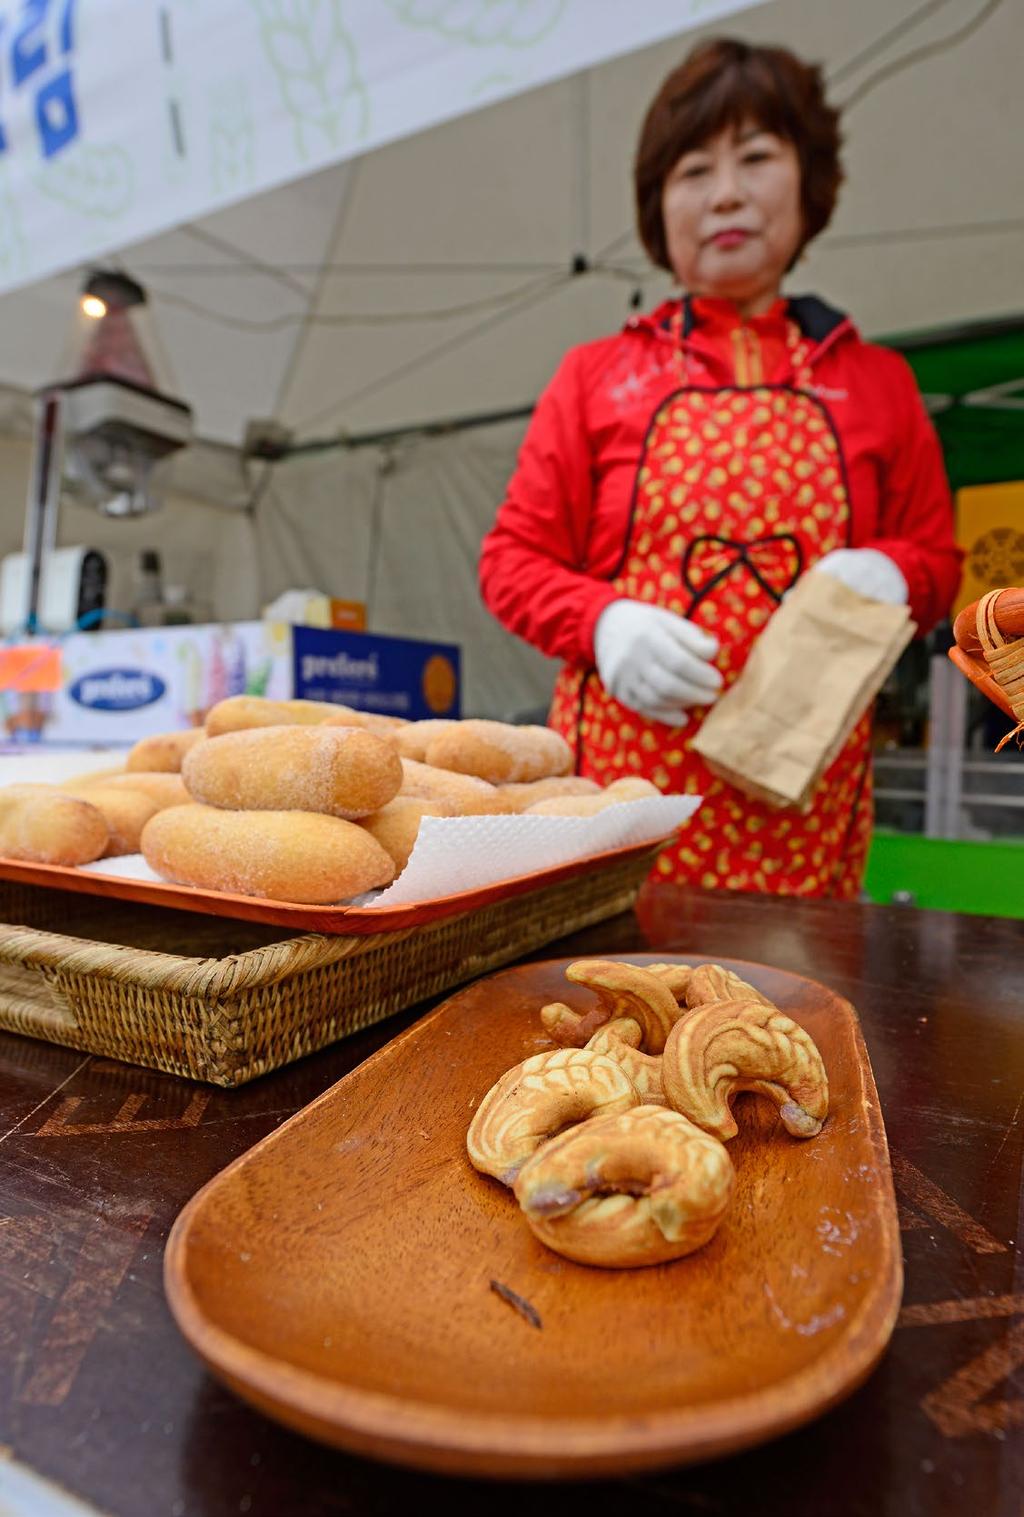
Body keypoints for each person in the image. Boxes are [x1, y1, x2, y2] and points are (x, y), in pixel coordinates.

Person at [478, 37, 963, 898]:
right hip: (621, 803)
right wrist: (603, 622)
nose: (727, 192)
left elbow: (938, 563)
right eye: (694, 169)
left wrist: (894, 570)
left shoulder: (878, 382)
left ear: (806, 185)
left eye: (756, 157)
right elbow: (511, 562)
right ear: (658, 205)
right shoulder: (596, 375)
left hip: (808, 801)